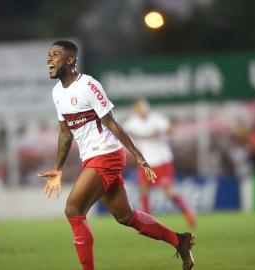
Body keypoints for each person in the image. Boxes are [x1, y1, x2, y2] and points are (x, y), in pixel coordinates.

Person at [38, 40, 195, 270]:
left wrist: (138, 155)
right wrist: (57, 168)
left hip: (106, 155)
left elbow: (111, 123)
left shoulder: (88, 85)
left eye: (55, 55)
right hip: (93, 158)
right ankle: (179, 240)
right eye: (48, 55)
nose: (49, 59)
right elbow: (65, 133)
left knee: (73, 209)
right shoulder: (57, 93)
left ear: (70, 60)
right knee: (125, 217)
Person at [124, 99, 196, 227]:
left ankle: (187, 213)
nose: (140, 111)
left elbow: (170, 128)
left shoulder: (156, 119)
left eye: (142, 108)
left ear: (146, 108)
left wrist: (162, 131)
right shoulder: (132, 123)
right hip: (146, 162)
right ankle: (148, 221)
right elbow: (122, 132)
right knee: (144, 191)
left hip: (162, 160)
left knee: (168, 192)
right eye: (138, 109)